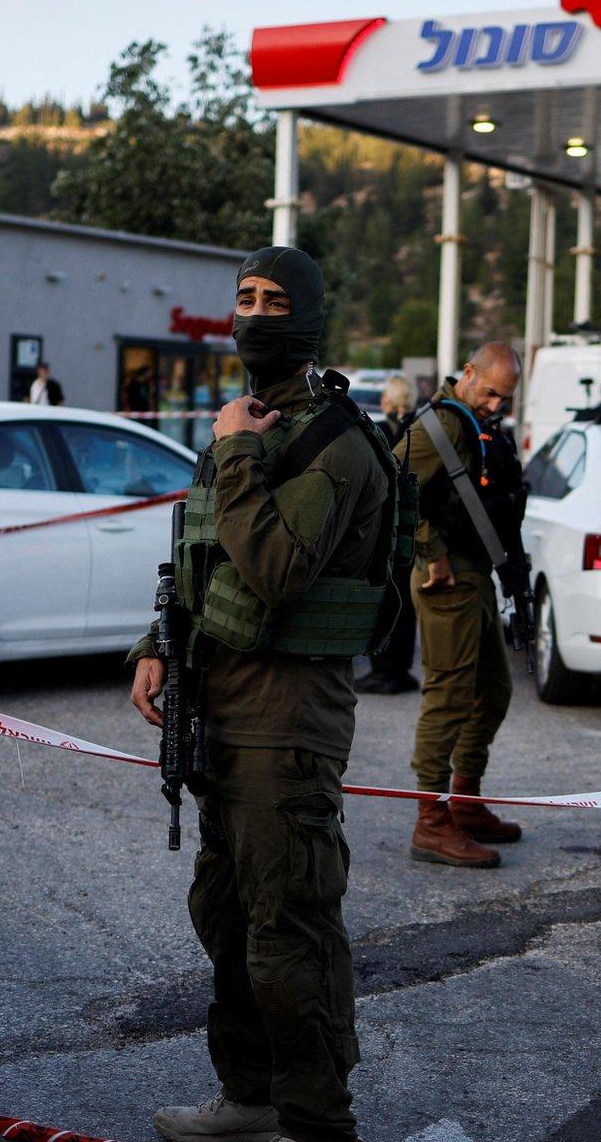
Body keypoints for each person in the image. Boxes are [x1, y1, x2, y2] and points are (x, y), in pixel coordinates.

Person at [130, 246, 390, 1142]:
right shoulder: (253, 425)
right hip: (220, 709)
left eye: (274, 302)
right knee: (226, 916)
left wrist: (235, 454)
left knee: (289, 932)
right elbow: (203, 559)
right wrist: (154, 647)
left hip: (289, 723)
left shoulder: (335, 443)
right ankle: (247, 1099)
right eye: (243, 298)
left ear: (307, 323)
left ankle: (318, 1122)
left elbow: (275, 569)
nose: (252, 316)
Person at [394, 341, 526, 869]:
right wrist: (432, 551)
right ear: (468, 374)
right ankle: (430, 820)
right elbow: (394, 485)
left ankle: (466, 802)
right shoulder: (444, 424)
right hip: (444, 578)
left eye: (506, 398)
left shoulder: (473, 424)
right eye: (491, 392)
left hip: (475, 573)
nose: (496, 405)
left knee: (493, 691)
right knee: (449, 696)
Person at [356, 374, 420, 695]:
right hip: (412, 529)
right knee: (405, 606)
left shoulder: (379, 432)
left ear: (387, 400)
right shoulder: (417, 430)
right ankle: (401, 670)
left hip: (384, 530)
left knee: (383, 602)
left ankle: (383, 671)